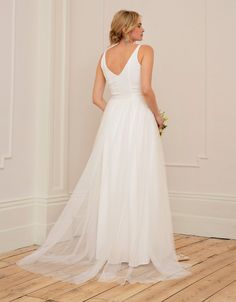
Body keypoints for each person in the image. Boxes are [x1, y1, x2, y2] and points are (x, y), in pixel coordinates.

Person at [16, 9, 191, 285]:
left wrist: (116, 112)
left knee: (114, 178)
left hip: (114, 119)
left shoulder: (103, 56)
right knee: (139, 177)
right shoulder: (145, 50)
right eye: (139, 26)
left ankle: (113, 248)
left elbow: (95, 98)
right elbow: (146, 90)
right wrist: (156, 115)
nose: (143, 30)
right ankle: (138, 249)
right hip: (138, 116)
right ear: (127, 28)